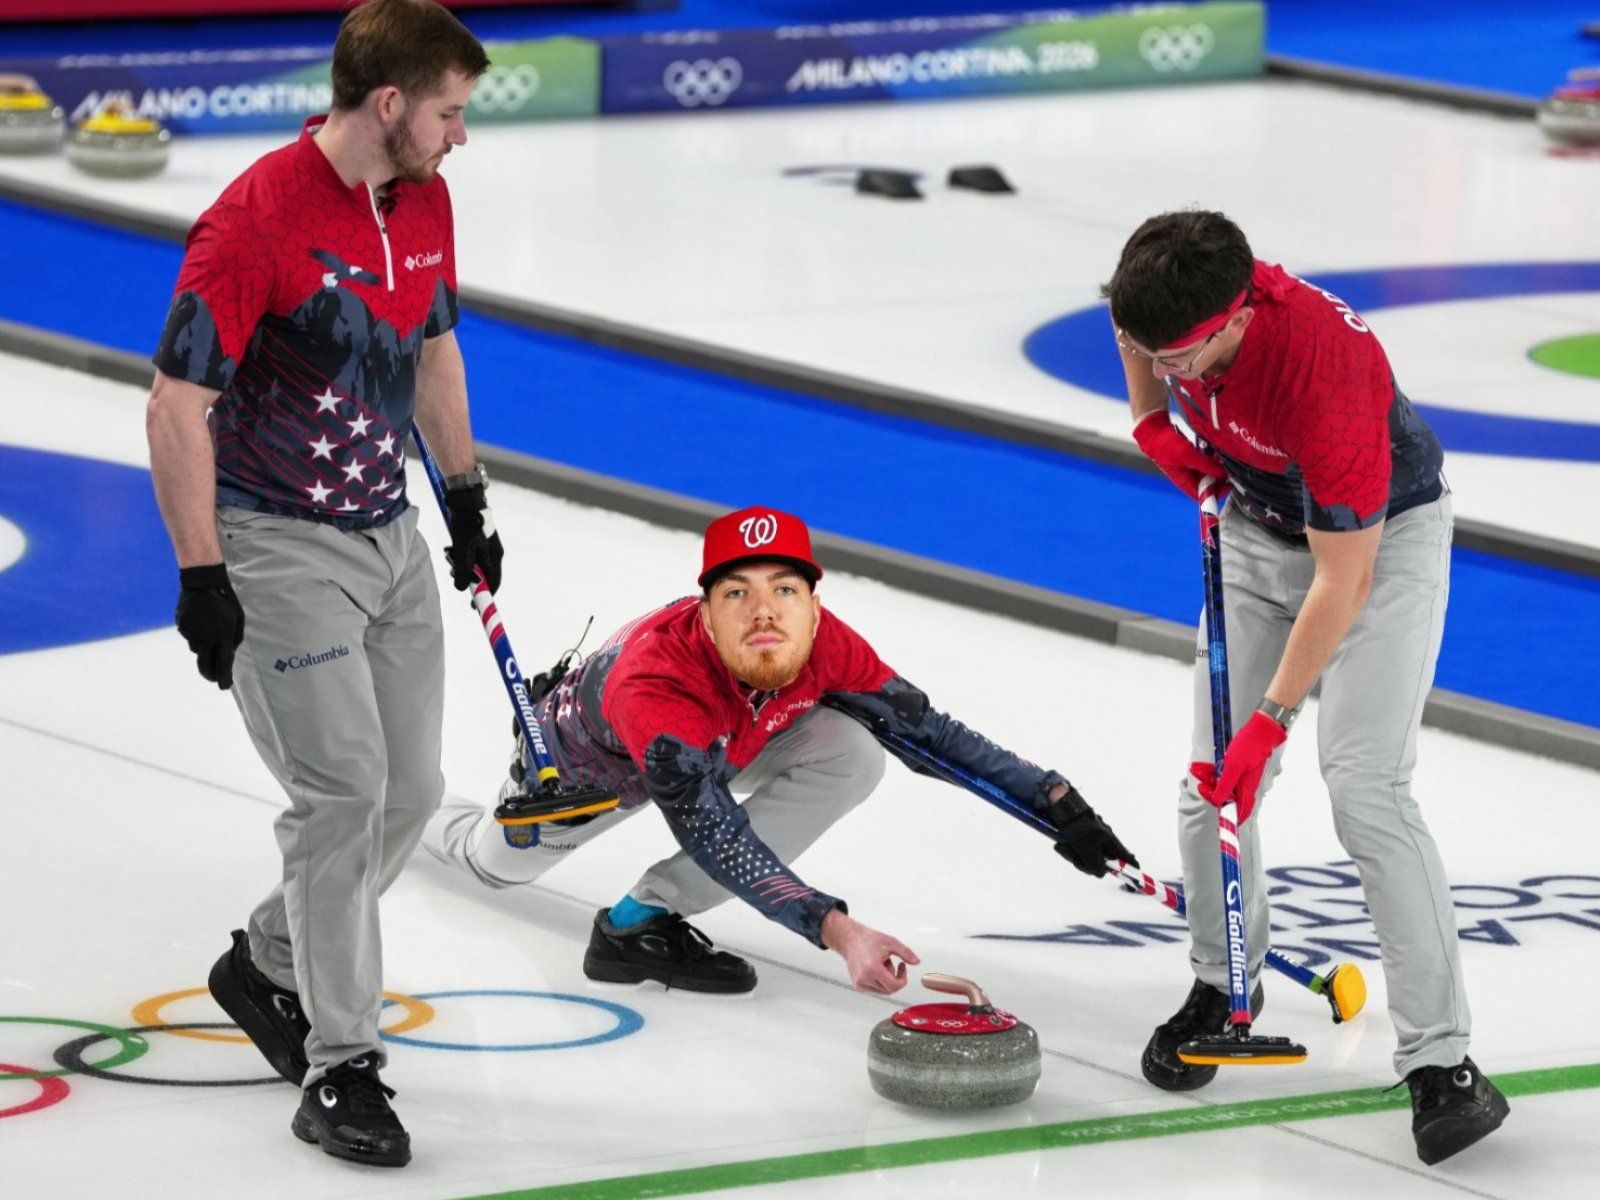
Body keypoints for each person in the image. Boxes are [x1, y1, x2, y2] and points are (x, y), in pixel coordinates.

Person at [145, 0, 495, 1169]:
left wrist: (466, 496)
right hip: (278, 544)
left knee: (411, 791)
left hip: (388, 533)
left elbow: (433, 347)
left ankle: (269, 959)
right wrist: (204, 575)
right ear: (389, 104)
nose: (460, 135)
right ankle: (342, 1066)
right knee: (343, 797)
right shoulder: (254, 221)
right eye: (449, 113)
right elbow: (175, 407)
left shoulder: (425, 198)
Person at [1102, 210, 1507, 1165]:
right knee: (1209, 789)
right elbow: (1136, 336)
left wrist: (1271, 721)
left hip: (1380, 545)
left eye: (1178, 358)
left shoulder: (1325, 376)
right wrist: (1153, 419)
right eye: (1149, 349)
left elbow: (1343, 580)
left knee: (1366, 787)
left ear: (1239, 317)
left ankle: (1442, 1061)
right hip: (1254, 522)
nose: (1162, 364)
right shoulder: (1163, 305)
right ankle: (1224, 984)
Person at [422, 505, 1136, 995]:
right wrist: (838, 931)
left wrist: (1056, 802)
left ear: (814, 605)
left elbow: (932, 738)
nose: (765, 611)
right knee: (492, 867)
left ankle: (638, 923)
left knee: (853, 750)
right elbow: (718, 837)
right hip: (599, 768)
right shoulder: (657, 688)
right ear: (705, 613)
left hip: (733, 738)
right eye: (737, 593)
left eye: (784, 590)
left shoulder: (826, 645)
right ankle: (410, 800)